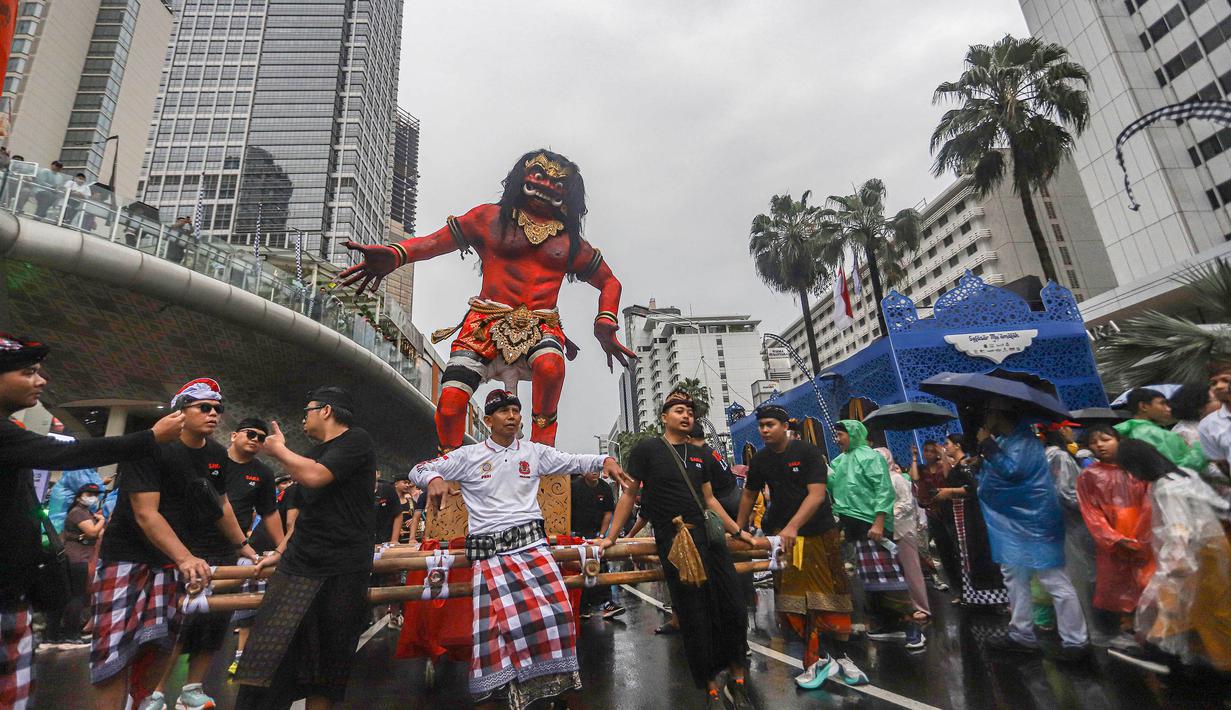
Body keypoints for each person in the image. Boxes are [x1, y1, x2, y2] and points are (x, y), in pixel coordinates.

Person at [0, 333, 184, 710]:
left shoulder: (12, 436)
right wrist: (149, 437)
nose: (42, 381)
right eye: (29, 372)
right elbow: (66, 453)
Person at [413, 389, 625, 710]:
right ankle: (498, 694)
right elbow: (420, 468)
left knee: (557, 616)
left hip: (533, 549)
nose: (512, 416)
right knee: (494, 630)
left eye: (516, 410)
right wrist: (434, 479)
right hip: (490, 556)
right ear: (487, 420)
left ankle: (556, 691)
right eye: (503, 411)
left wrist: (605, 460)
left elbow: (575, 460)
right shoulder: (469, 456)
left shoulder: (533, 452)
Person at [102, 379, 258, 710]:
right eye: (204, 407)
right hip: (129, 557)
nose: (214, 413)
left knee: (160, 642)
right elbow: (146, 514)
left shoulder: (216, 455)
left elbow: (221, 504)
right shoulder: (151, 446)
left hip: (171, 560)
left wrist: (243, 545)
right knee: (116, 651)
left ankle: (145, 699)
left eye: (218, 408)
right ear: (181, 412)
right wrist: (187, 557)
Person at [605, 391, 755, 709]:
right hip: (676, 542)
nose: (686, 415)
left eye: (690, 411)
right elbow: (630, 495)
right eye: (678, 410)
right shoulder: (648, 449)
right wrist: (611, 537)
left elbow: (711, 500)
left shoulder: (699, 452)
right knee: (694, 615)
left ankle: (738, 677)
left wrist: (739, 531)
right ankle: (711, 685)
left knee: (733, 608)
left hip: (710, 540)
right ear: (664, 417)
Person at [235, 387, 376, 709]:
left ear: (326, 410)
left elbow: (316, 477)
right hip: (298, 565)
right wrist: (280, 552)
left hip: (343, 568)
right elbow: (298, 520)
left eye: (308, 410)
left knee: (327, 671)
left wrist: (279, 450)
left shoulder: (357, 440)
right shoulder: (311, 454)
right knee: (265, 661)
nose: (303, 417)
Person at [738, 405, 863, 689]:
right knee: (793, 602)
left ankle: (841, 657)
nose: (764, 430)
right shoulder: (760, 460)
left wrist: (793, 526)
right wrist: (738, 527)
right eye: (761, 426)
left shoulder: (807, 453)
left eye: (770, 424)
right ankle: (815, 659)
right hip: (784, 539)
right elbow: (749, 494)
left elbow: (817, 495)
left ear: (785, 426)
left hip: (819, 533)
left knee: (830, 597)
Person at [975, 400, 1090, 660]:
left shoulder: (1023, 441)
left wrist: (987, 445)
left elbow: (1014, 472)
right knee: (1015, 578)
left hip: (1034, 522)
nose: (987, 417)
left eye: (990, 410)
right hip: (1012, 523)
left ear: (1002, 412)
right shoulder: (1006, 441)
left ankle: (1076, 641)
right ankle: (1021, 634)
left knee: (1053, 580)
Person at [1117, 438, 1231, 672]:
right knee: (1211, 610)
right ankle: (1176, 655)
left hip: (1196, 556)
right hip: (1213, 548)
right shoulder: (1183, 474)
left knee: (1197, 612)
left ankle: (1178, 657)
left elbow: (1180, 531)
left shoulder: (1167, 488)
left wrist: (1172, 568)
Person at [828, 420, 924, 654]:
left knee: (891, 578)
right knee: (870, 581)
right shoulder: (838, 461)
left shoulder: (871, 457)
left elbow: (883, 490)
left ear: (853, 434)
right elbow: (833, 488)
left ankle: (912, 627)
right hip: (854, 526)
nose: (838, 439)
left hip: (874, 525)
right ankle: (887, 623)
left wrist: (879, 521)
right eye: (836, 435)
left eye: (841, 434)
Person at [1075, 426, 1153, 648]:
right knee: (1115, 587)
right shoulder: (1089, 476)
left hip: (1143, 536)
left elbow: (1150, 504)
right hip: (1113, 542)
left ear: (1119, 441)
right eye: (1093, 442)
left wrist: (1142, 536)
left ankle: (1147, 631)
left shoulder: (1138, 470)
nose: (1099, 445)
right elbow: (1091, 513)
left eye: (1105, 439)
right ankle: (1123, 629)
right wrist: (1113, 538)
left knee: (1147, 585)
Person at [223, 418, 284, 678]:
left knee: (246, 607)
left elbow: (269, 514)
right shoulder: (211, 461)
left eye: (261, 437)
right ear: (233, 435)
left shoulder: (263, 473)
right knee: (186, 619)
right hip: (198, 547)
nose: (255, 440)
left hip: (241, 552)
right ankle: (155, 692)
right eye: (250, 434)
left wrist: (283, 550)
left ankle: (241, 658)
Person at [939, 434, 1008, 608]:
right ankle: (976, 596)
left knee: (978, 551)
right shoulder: (959, 465)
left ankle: (994, 597)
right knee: (966, 554)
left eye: (947, 444)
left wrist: (950, 492)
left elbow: (973, 487)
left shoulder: (965, 465)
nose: (945, 447)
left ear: (957, 445)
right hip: (962, 515)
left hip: (972, 515)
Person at [45, 483, 106, 647]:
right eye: (89, 493)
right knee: (75, 597)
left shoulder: (85, 512)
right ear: (79, 495)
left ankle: (54, 634)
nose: (92, 497)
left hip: (77, 558)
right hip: (76, 559)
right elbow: (93, 532)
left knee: (68, 596)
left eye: (95, 494)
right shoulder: (78, 512)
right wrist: (102, 520)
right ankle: (70, 634)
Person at [875, 447, 930, 624]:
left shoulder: (896, 479)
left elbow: (907, 503)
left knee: (911, 569)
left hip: (902, 528)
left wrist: (887, 514)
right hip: (888, 530)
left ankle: (921, 607)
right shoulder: (879, 481)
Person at [570, 464, 623, 621]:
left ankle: (608, 603)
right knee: (580, 569)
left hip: (596, 535)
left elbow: (608, 513)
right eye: (590, 469)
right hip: (576, 534)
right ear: (583, 471)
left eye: (597, 469)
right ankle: (582, 606)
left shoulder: (604, 487)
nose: (594, 472)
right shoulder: (574, 488)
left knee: (602, 566)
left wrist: (602, 535)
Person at [911, 440, 961, 596]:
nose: (928, 454)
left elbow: (948, 475)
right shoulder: (922, 468)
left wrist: (943, 455)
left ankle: (966, 587)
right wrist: (913, 458)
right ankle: (956, 590)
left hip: (948, 509)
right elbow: (913, 477)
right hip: (932, 511)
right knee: (944, 551)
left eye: (932, 451)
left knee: (957, 549)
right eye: (925, 450)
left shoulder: (942, 465)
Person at [1115, 388, 1206, 472]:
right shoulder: (1150, 433)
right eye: (1162, 403)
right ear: (1143, 406)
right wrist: (1201, 449)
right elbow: (1175, 468)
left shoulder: (1128, 430)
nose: (1168, 409)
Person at [1198, 361, 1231, 478]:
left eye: (1225, 380)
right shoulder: (1207, 425)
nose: (1219, 386)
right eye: (1213, 383)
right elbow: (1222, 464)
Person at [372, 472, 402, 546]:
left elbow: (398, 514)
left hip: (385, 538)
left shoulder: (387, 489)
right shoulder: (357, 490)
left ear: (378, 474)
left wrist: (394, 540)